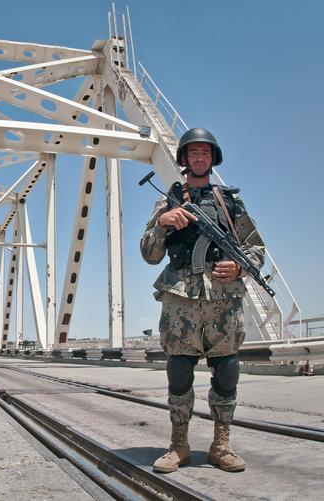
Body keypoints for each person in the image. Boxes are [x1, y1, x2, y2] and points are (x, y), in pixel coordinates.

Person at [140, 128, 265, 473]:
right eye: (193, 153)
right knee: (179, 372)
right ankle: (178, 445)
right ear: (184, 159)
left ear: (212, 158)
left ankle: (220, 445)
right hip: (181, 303)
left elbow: (256, 249)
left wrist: (239, 266)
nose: (199, 158)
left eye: (205, 153)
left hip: (223, 303)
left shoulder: (230, 204)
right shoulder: (166, 203)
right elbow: (150, 254)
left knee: (226, 373)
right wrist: (163, 225)